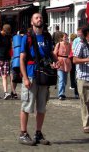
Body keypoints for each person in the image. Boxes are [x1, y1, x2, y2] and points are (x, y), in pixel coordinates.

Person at [19, 12, 58, 146]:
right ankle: (23, 133)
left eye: (40, 17)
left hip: (44, 75)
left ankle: (38, 133)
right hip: (31, 75)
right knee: (26, 105)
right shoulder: (28, 37)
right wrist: (24, 78)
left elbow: (51, 54)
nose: (39, 19)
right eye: (36, 18)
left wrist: (56, 62)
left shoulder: (47, 36)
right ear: (32, 22)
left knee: (41, 107)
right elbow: (22, 58)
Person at [54, 33, 72, 100]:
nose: (66, 39)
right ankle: (60, 94)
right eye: (65, 37)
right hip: (60, 61)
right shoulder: (58, 44)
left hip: (66, 62)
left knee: (65, 80)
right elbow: (55, 53)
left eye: (67, 37)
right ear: (62, 38)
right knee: (61, 79)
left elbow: (70, 52)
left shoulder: (69, 44)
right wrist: (55, 62)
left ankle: (63, 93)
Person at [69, 33, 79, 98]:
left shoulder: (70, 44)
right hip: (77, 58)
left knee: (72, 72)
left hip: (71, 57)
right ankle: (75, 86)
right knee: (76, 72)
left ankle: (72, 85)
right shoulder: (77, 42)